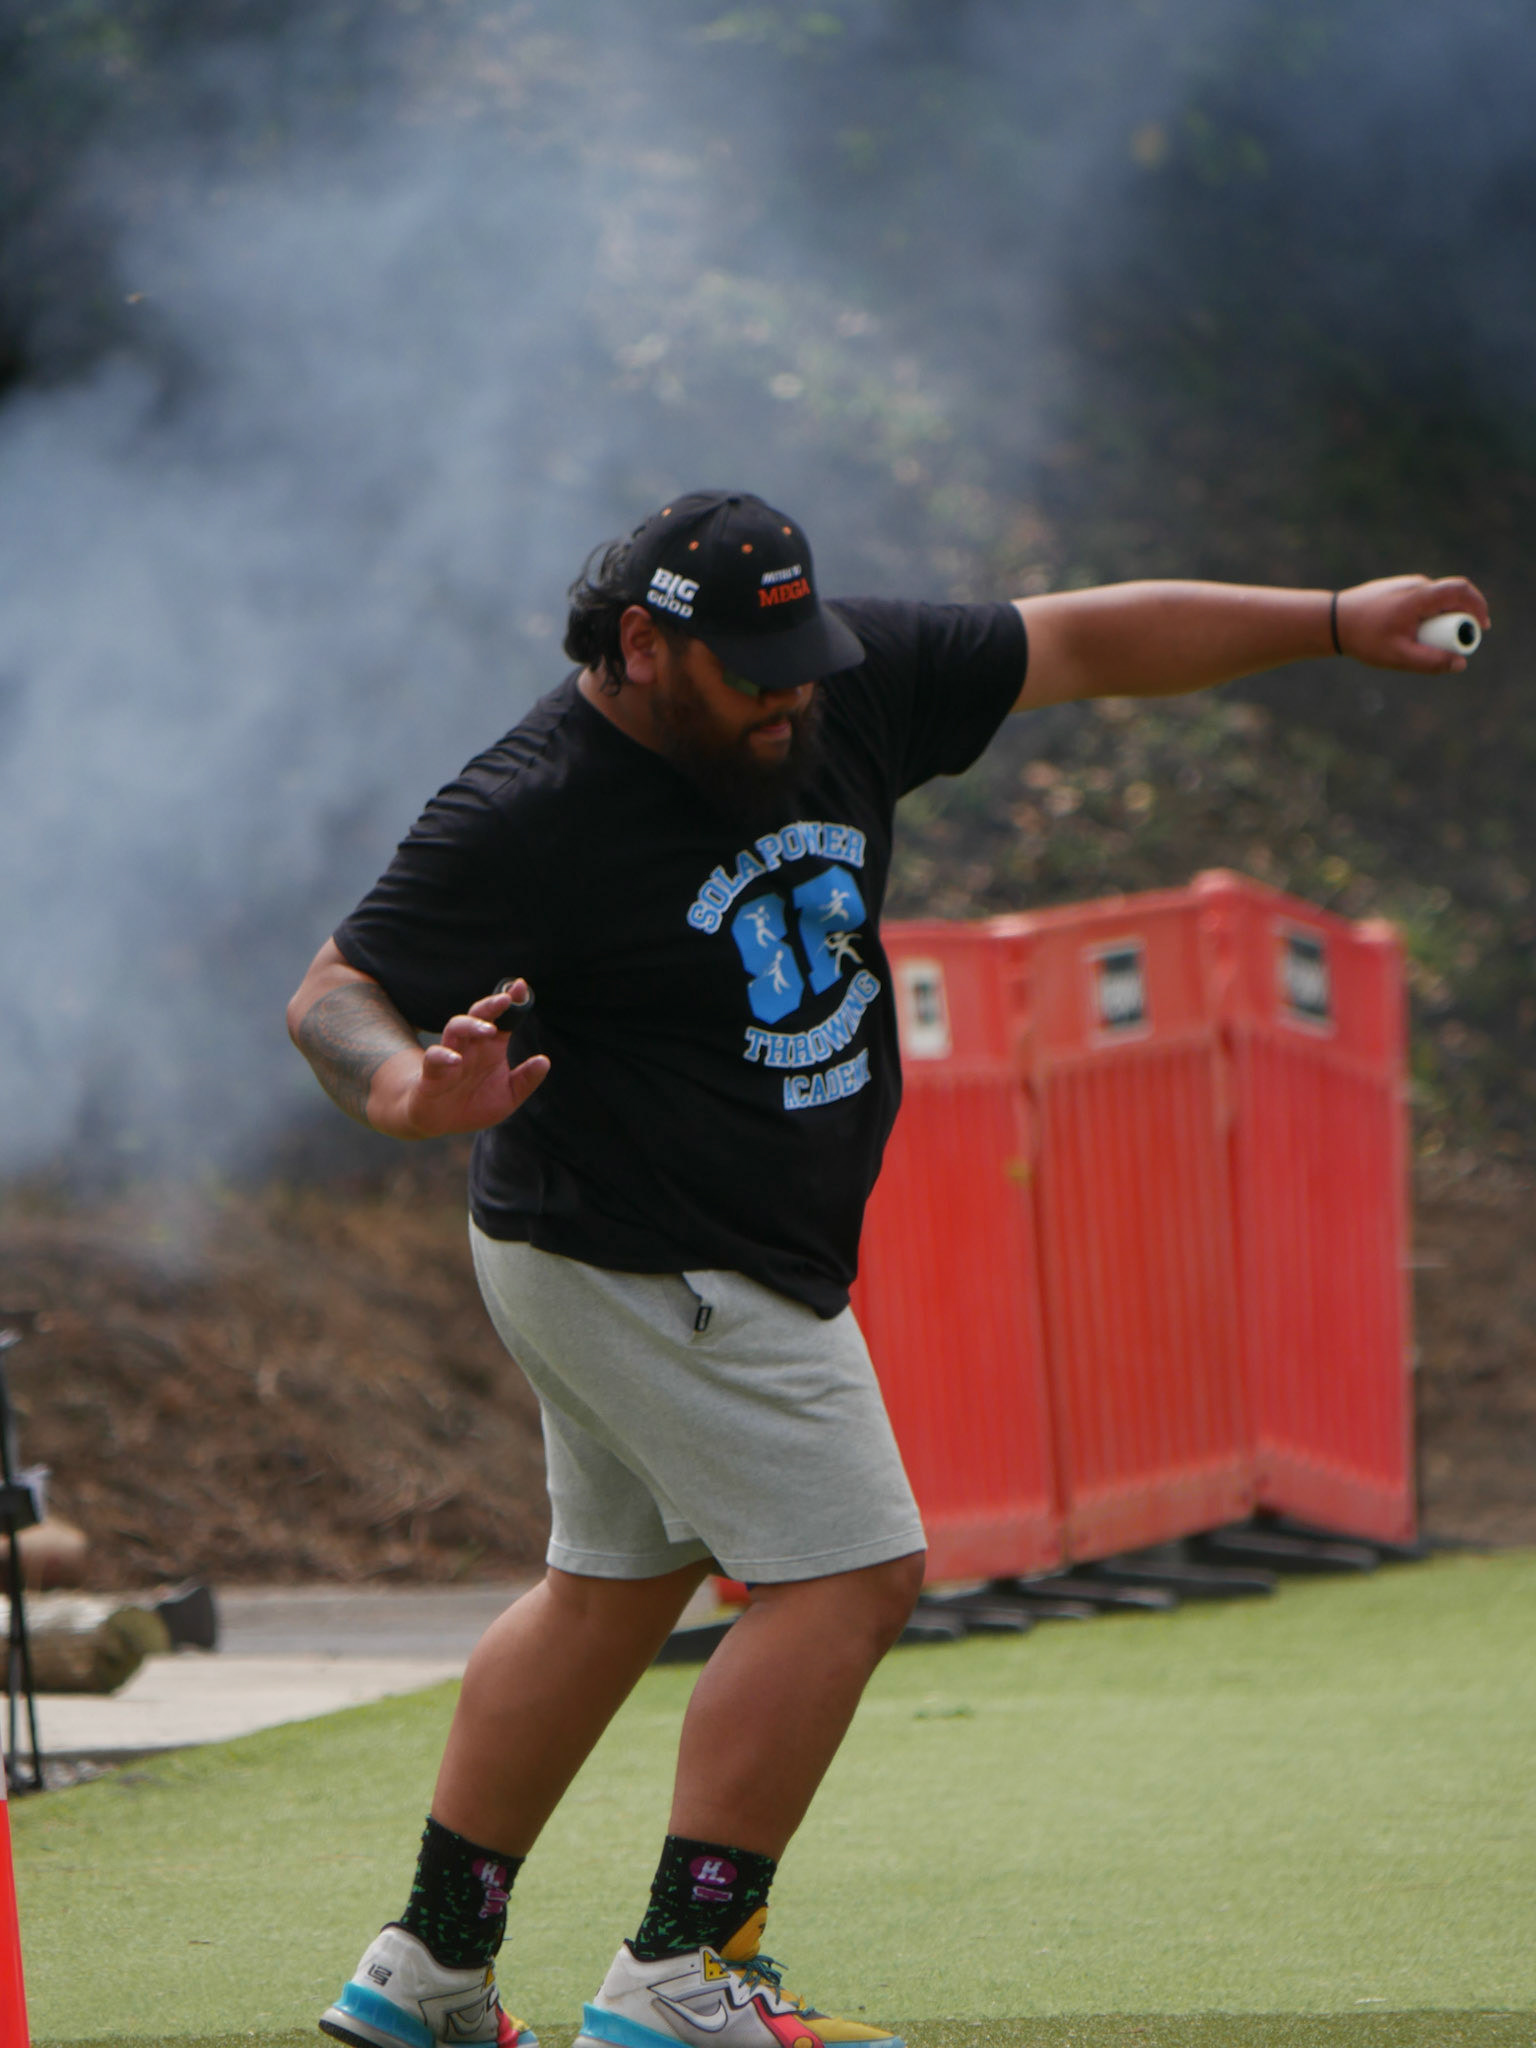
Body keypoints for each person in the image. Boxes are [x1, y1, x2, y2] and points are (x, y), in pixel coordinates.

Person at [287, 489, 1487, 2048]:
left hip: (620, 1247)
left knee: (609, 1592)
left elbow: (1088, 642)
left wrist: (1328, 620)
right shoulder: (531, 804)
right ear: (642, 645)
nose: (791, 698)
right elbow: (338, 988)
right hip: (661, 1253)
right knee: (850, 1577)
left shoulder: (833, 685)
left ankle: (430, 1969)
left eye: (803, 658)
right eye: (753, 670)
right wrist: (402, 1089)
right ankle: (684, 1974)